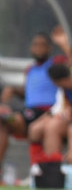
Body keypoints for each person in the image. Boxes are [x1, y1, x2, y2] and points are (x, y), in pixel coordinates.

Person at [0, 32, 66, 168]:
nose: (39, 49)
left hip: (46, 112)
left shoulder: (54, 64)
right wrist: (12, 90)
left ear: (49, 48)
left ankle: (42, 170)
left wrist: (64, 44)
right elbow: (29, 92)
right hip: (28, 113)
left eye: (43, 45)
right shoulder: (30, 69)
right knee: (3, 124)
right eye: (36, 45)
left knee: (9, 118)